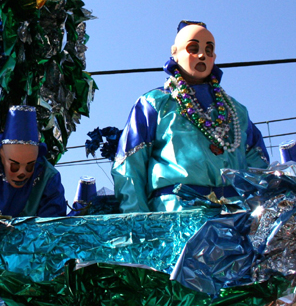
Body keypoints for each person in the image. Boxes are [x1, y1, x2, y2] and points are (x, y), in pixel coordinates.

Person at [112, 20, 269, 212]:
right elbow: (129, 167)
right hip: (176, 215)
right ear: (175, 53)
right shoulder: (154, 103)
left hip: (236, 216)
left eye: (208, 50)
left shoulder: (237, 111)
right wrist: (139, 225)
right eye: (193, 48)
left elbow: (259, 170)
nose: (202, 55)